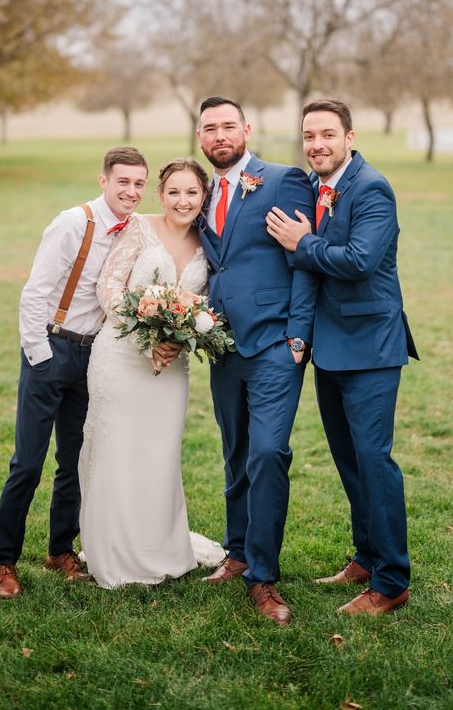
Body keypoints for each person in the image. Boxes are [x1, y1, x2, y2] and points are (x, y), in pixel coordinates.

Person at [266, 99, 418, 616]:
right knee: (350, 461)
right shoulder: (313, 187)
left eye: (327, 134)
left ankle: (392, 580)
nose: (317, 145)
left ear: (349, 137)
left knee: (375, 463)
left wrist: (301, 242)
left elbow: (358, 260)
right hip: (329, 350)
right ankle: (366, 556)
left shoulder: (372, 187)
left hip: (371, 348)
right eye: (309, 136)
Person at [0, 146, 149, 598]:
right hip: (51, 348)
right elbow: (34, 292)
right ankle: (4, 561)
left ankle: (61, 550)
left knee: (75, 462)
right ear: (104, 181)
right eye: (123, 182)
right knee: (27, 463)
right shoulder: (72, 223)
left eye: (139, 183)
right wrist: (40, 355)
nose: (131, 191)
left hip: (92, 357)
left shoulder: (134, 230)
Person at [196, 97, 318, 626]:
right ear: (200, 137)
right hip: (222, 345)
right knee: (235, 452)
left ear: (246, 129)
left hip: (274, 344)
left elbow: (304, 258)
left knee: (267, 453)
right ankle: (238, 550)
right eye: (209, 128)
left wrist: (298, 336)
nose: (220, 135)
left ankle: (263, 578)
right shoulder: (199, 192)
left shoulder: (283, 180)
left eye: (228, 126)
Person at [78, 158, 225, 589]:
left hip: (171, 364)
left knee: (159, 452)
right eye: (174, 192)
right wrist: (144, 329)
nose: (183, 201)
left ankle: (158, 546)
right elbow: (108, 286)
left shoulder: (208, 243)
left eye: (192, 192)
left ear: (204, 197)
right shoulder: (140, 228)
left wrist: (175, 339)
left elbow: (204, 304)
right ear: (162, 194)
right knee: (117, 448)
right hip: (121, 356)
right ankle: (113, 551)